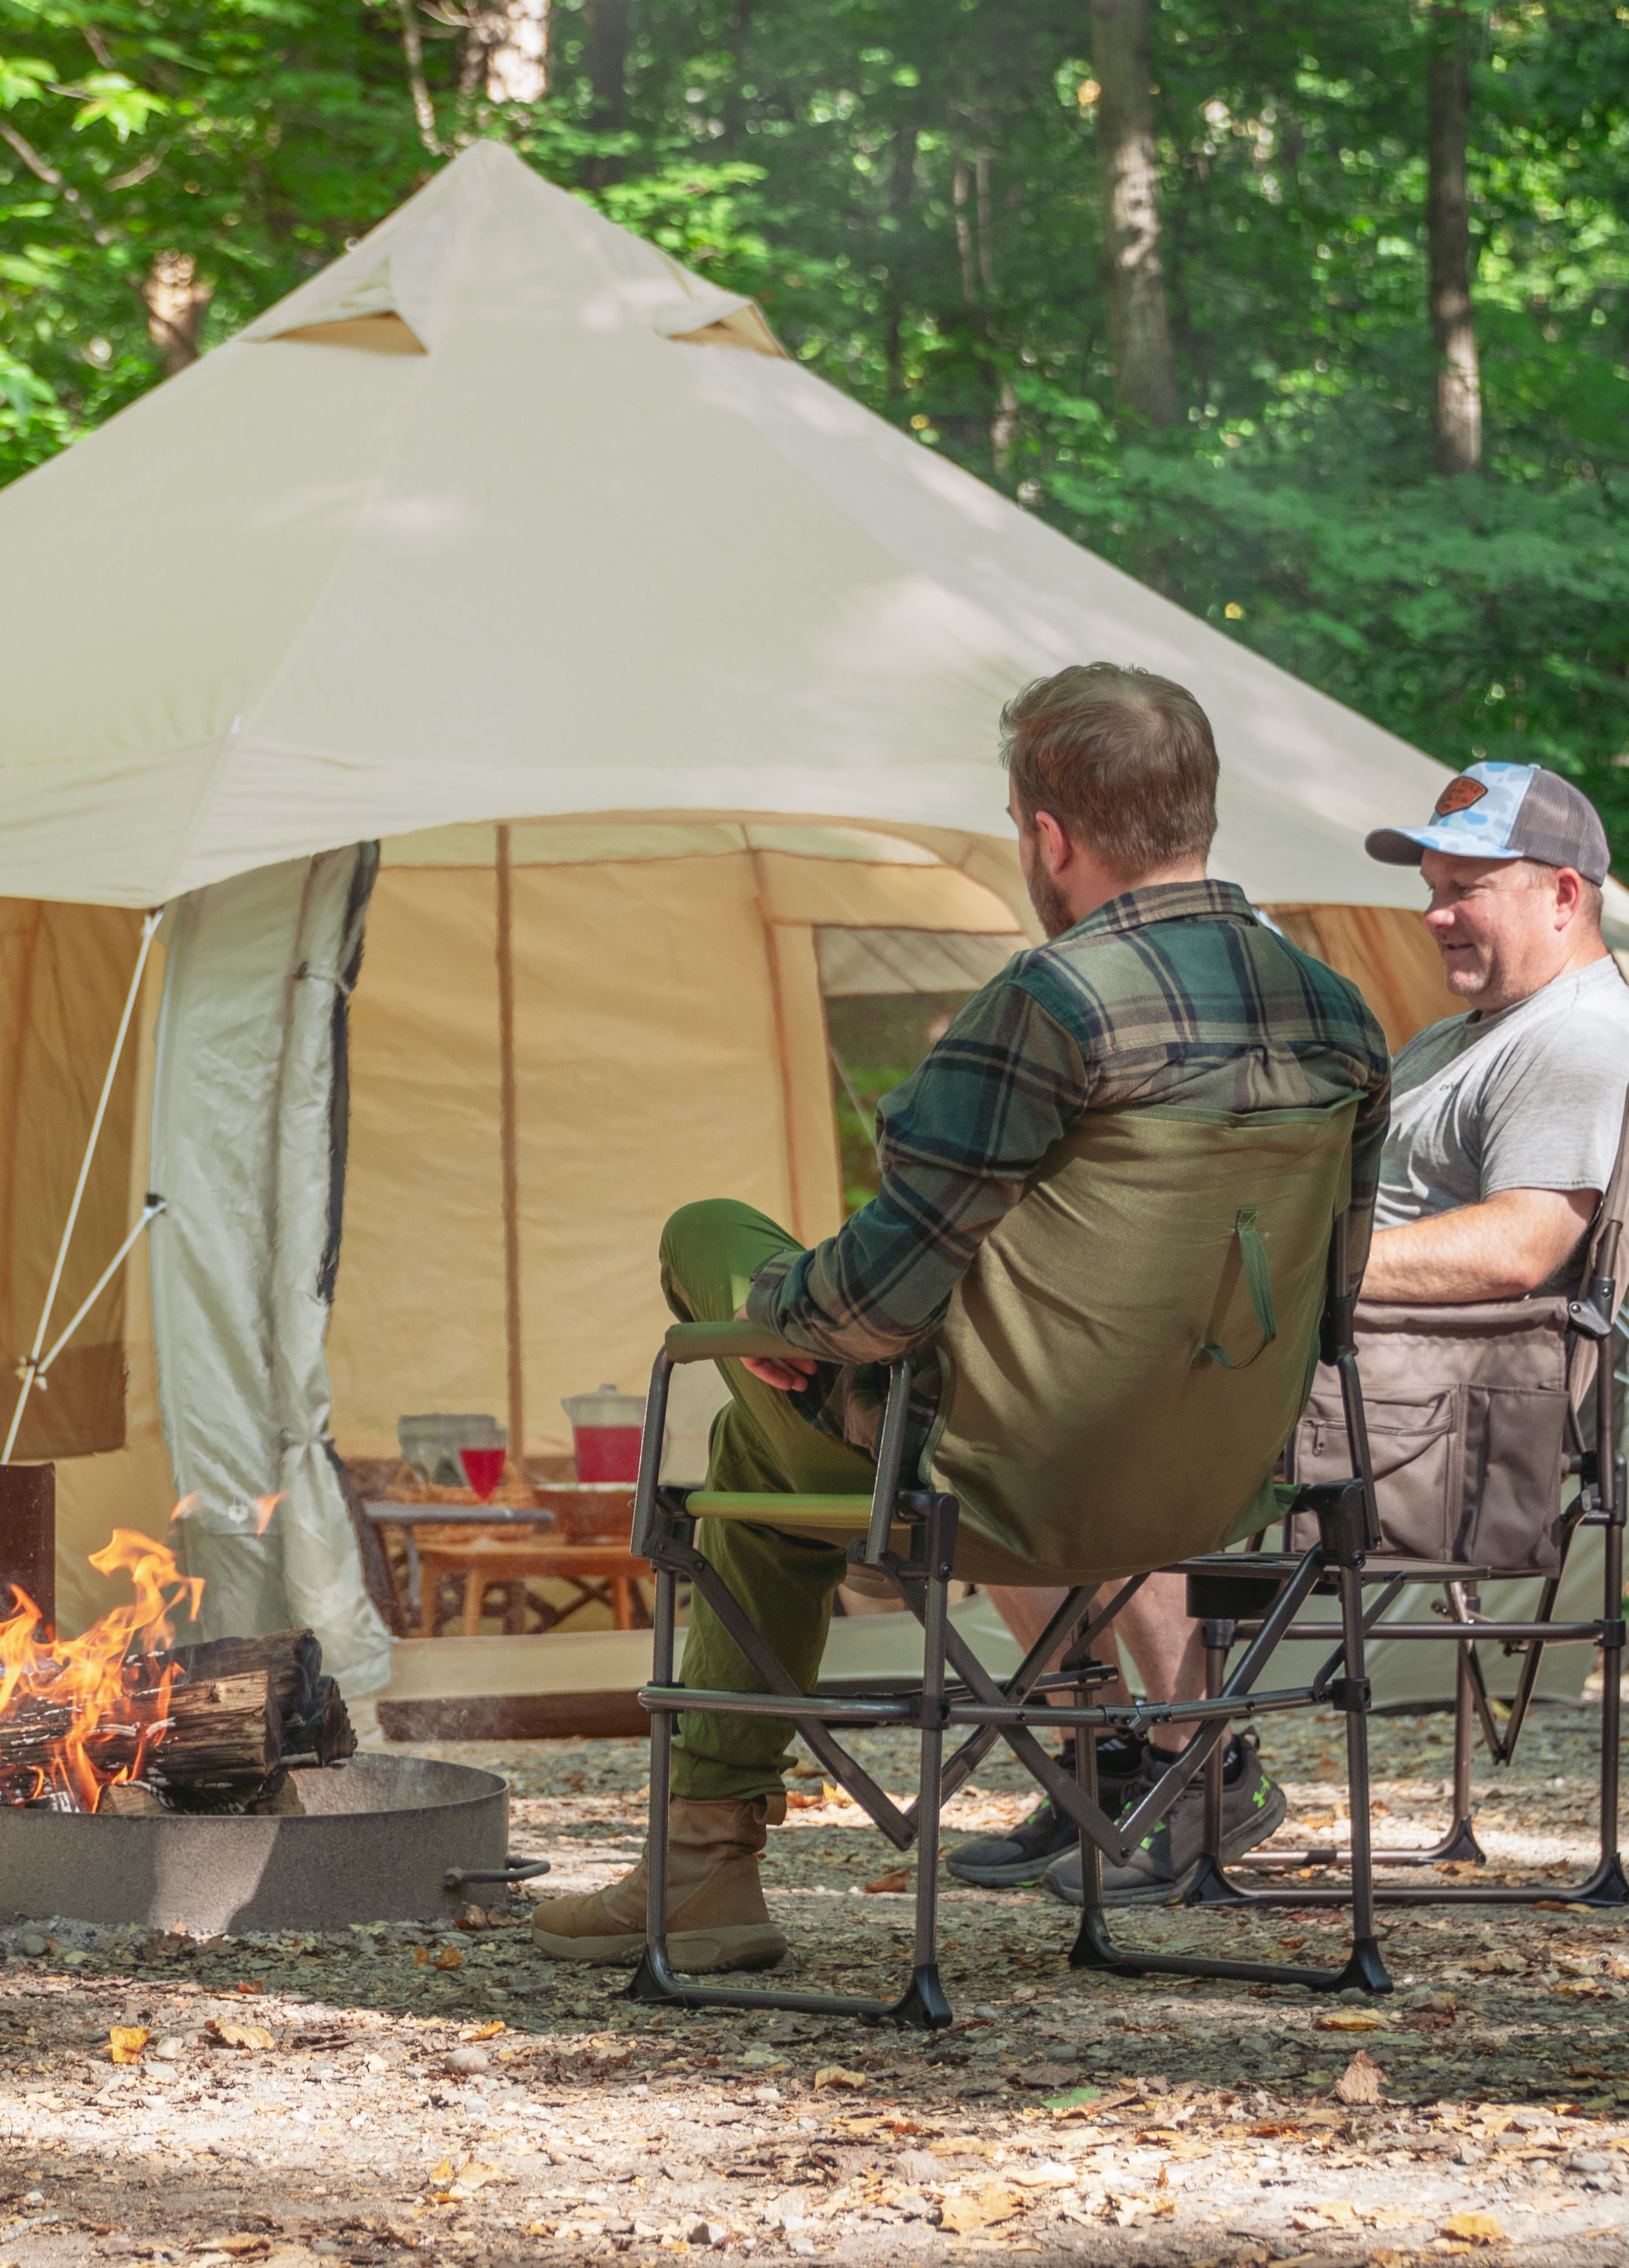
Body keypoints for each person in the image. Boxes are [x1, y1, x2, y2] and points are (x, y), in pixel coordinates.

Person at [530, 666, 1391, 1973]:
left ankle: (702, 1867)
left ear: (1049, 834)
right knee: (774, 1443)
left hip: (997, 1489)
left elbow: (873, 1308)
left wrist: (784, 1310)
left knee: (715, 1251)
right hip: (1222, 1495)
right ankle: (696, 1869)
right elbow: (1334, 1291)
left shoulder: (1051, 1006)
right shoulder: (1342, 1017)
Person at [1355, 762, 1629, 1299]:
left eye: (1465, 888)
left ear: (1563, 897)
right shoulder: (1463, 1033)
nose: (1433, 915)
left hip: (1404, 1378)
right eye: (1433, 888)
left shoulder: (1581, 1038)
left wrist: (1306, 1267)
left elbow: (1519, 1249)